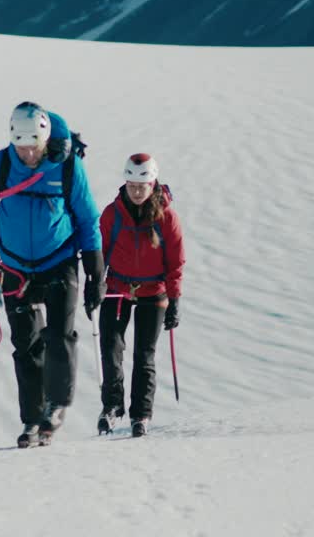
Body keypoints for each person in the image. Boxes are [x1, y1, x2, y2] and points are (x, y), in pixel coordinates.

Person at [0, 102, 104, 447]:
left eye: (34, 146)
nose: (28, 153)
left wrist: (95, 272)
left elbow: (88, 219)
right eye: (21, 146)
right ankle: (31, 420)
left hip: (58, 261)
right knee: (25, 345)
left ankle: (56, 405)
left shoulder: (68, 167)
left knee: (59, 337)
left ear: (45, 140)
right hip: (14, 266)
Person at [96, 153, 185, 438]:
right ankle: (112, 407)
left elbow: (176, 261)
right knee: (111, 349)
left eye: (142, 185)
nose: (136, 191)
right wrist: (95, 283)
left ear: (152, 183)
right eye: (132, 184)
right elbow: (98, 251)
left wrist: (175, 300)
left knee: (144, 355)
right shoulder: (112, 213)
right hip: (117, 290)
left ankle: (141, 415)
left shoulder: (166, 216)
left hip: (153, 292)